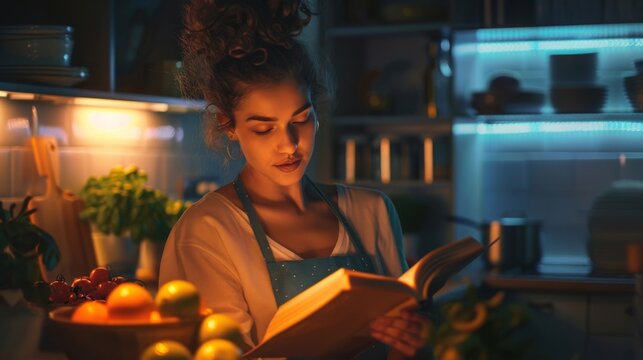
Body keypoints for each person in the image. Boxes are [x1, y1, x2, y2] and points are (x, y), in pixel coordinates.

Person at [159, 0, 432, 358]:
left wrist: (418, 338)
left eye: (300, 119)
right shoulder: (207, 231)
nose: (288, 145)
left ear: (317, 113)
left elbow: (404, 347)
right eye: (263, 128)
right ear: (230, 126)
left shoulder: (373, 211)